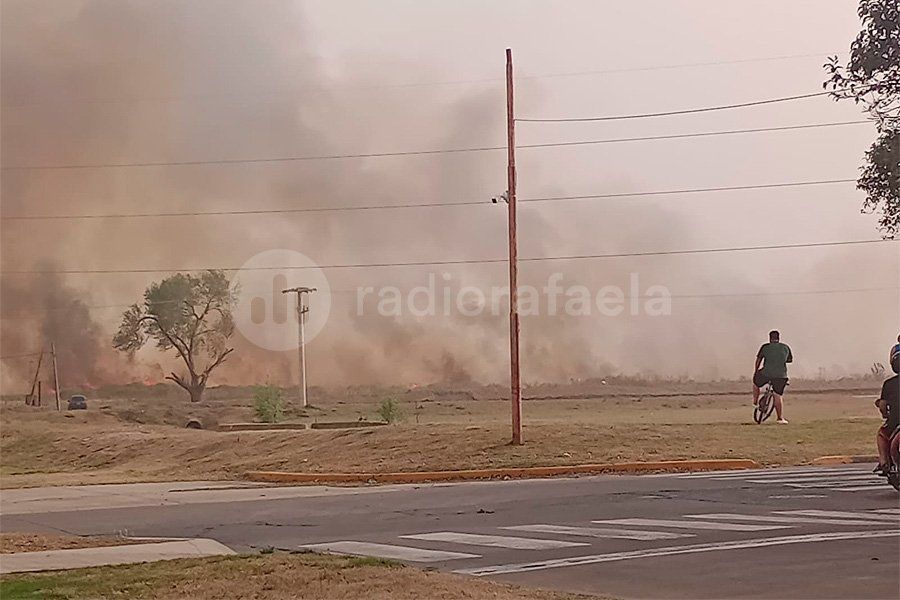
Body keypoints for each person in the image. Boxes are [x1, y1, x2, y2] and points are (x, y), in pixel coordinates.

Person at [752, 330, 792, 424]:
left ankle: (755, 402)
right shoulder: (785, 347)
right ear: (779, 338)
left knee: (756, 383)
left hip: (766, 373)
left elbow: (758, 360)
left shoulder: (765, 347)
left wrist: (756, 371)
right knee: (777, 395)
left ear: (770, 338)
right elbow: (789, 360)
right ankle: (780, 418)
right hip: (781, 376)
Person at [874, 344, 899, 475]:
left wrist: (884, 414)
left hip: (895, 422)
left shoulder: (889, 384)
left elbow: (883, 406)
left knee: (882, 434)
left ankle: (884, 462)